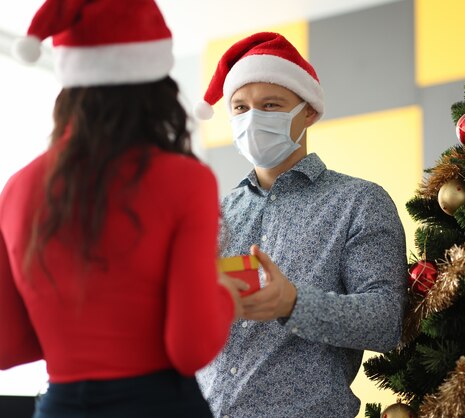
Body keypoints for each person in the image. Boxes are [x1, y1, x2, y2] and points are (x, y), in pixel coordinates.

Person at [0, 1, 240, 417]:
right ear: (155, 88)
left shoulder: (17, 189)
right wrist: (225, 296)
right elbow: (191, 347)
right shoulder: (186, 180)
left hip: (59, 407)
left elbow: (8, 344)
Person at [194, 32, 407, 417]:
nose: (252, 118)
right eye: (240, 107)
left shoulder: (359, 203)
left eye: (270, 105)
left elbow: (386, 321)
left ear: (308, 111)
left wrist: (292, 303)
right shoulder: (216, 214)